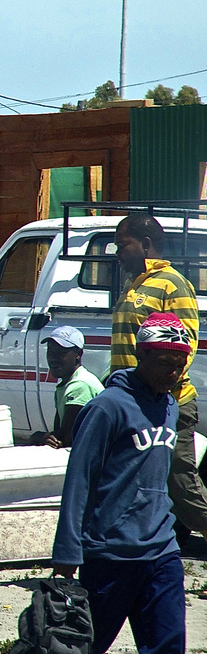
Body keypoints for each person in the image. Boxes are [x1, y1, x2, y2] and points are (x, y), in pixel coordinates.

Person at [11, 313, 192, 654]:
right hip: (110, 552)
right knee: (82, 646)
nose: (173, 370)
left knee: (168, 646)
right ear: (142, 355)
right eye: (164, 360)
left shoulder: (169, 405)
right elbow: (80, 480)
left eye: (180, 361)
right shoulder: (107, 407)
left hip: (161, 550)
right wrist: (67, 554)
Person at [107, 214, 207, 548]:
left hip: (167, 404)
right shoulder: (133, 283)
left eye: (124, 245)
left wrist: (158, 389)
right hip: (131, 405)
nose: (118, 252)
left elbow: (185, 345)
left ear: (146, 245)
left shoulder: (172, 284)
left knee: (183, 487)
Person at [29, 326, 103, 449]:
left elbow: (66, 439)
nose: (52, 358)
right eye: (50, 352)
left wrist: (38, 437)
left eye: (60, 353)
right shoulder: (66, 384)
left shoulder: (80, 385)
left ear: (78, 354)